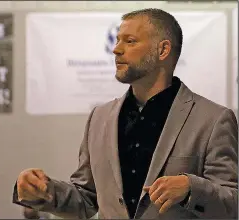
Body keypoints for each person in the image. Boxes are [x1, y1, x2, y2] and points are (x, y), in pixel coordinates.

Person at [12, 8, 238, 219]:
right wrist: (44, 193)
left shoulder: (213, 119)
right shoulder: (99, 118)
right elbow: (88, 199)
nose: (116, 49)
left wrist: (191, 188)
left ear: (163, 50)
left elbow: (233, 204)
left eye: (130, 41)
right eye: (118, 40)